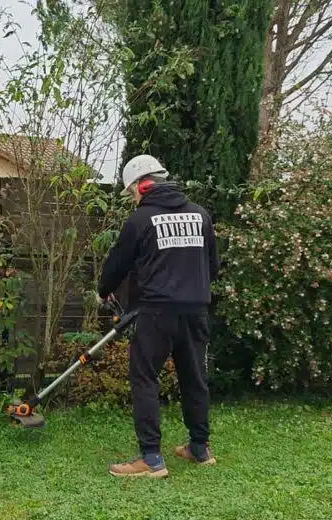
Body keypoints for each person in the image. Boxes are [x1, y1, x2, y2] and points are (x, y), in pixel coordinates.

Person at [97, 154, 220, 478]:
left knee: (144, 378)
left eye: (132, 192)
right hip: (195, 312)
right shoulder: (201, 216)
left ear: (143, 185)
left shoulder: (140, 220)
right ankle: (199, 447)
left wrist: (103, 289)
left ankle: (151, 459)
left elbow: (116, 266)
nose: (133, 198)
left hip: (157, 313)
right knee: (194, 378)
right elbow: (214, 268)